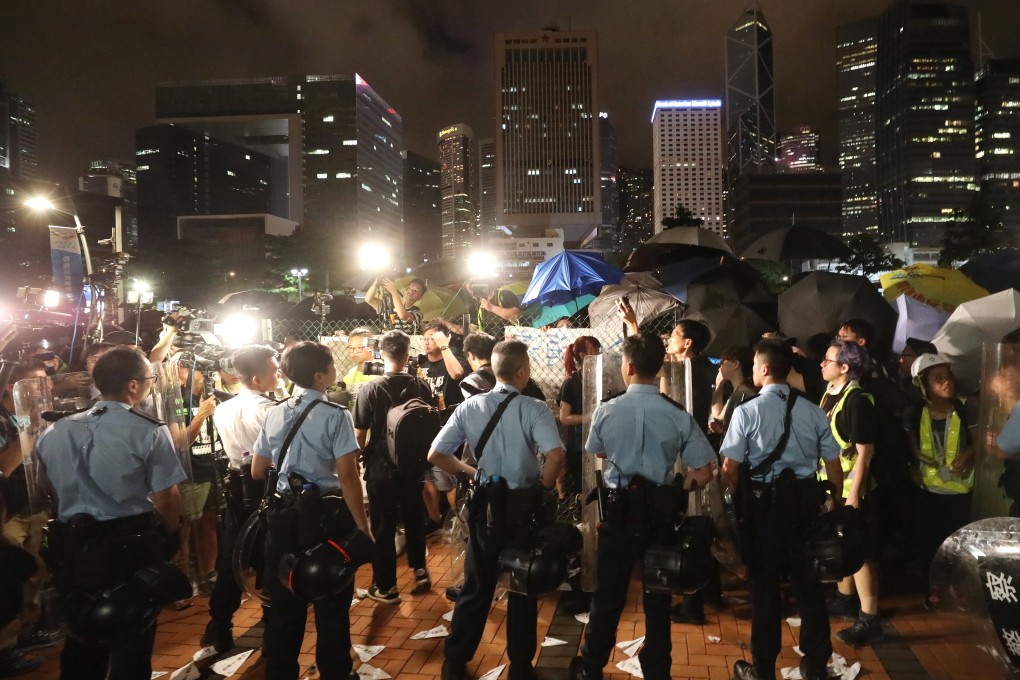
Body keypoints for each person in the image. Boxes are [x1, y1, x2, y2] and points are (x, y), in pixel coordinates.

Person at [568, 332, 715, 680]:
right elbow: (704, 472)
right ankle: (657, 671)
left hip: (617, 515)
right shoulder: (677, 414)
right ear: (659, 365)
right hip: (661, 517)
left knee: (607, 597)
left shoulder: (607, 409)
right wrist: (678, 490)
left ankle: (591, 667)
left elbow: (598, 451)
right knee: (658, 599)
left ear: (629, 367)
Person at [36, 346, 186, 680]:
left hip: (74, 546)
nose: (150, 384)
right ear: (133, 385)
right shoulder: (147, 429)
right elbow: (168, 500)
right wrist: (170, 536)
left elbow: (44, 488)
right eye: (149, 379)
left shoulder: (55, 430)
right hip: (129, 545)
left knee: (80, 636)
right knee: (132, 632)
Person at [428, 340, 565, 680]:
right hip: (523, 505)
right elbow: (556, 456)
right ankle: (520, 666)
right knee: (522, 581)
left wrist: (470, 471)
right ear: (522, 371)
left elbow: (436, 454)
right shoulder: (534, 408)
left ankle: (455, 661)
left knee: (477, 583)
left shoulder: (470, 407)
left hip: (485, 504)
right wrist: (544, 485)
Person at [720, 339, 843, 680]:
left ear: (762, 369)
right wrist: (835, 503)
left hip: (763, 511)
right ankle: (816, 666)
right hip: (805, 507)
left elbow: (730, 468)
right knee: (810, 589)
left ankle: (763, 669)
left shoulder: (747, 411)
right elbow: (833, 465)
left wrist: (729, 506)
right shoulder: (814, 411)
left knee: (764, 590)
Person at [252, 341, 370, 680]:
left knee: (285, 605)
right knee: (331, 601)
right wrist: (363, 528)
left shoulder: (274, 412)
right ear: (321, 375)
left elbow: (258, 471)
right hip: (325, 519)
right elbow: (347, 476)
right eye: (332, 364)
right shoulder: (337, 415)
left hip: (283, 518)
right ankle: (335, 672)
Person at [203, 345, 282, 652]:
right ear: (257, 378)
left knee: (231, 561)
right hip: (268, 488)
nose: (278, 374)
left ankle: (220, 625)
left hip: (236, 489)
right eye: (274, 369)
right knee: (271, 556)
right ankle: (272, 619)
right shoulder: (270, 411)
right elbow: (277, 456)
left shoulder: (224, 408)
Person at [353, 330, 436, 603]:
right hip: (413, 465)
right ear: (406, 356)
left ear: (382, 354)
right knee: (414, 518)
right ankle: (421, 570)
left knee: (383, 526)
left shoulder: (371, 389)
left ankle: (386, 586)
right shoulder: (421, 387)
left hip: (381, 468)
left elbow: (359, 435)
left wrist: (357, 461)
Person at [818, 340, 883, 646]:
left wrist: (854, 494)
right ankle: (845, 601)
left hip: (851, 490)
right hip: (837, 487)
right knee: (844, 545)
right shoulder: (832, 394)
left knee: (862, 553)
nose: (822, 364)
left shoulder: (856, 401)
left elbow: (865, 453)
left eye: (828, 360)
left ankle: (870, 618)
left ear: (844, 368)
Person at [0, 361, 60, 675]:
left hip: (35, 505)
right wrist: (27, 428)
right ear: (12, 387)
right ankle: (5, 647)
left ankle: (25, 632)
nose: (44, 389)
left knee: (35, 574)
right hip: (10, 512)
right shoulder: (4, 420)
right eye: (35, 384)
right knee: (9, 580)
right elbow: (5, 467)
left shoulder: (34, 418)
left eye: (45, 383)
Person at [904, 354, 976, 608]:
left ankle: (960, 589)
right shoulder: (914, 412)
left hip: (960, 489)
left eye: (948, 377)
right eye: (938, 379)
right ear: (924, 386)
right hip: (927, 488)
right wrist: (916, 452)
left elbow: (978, 442)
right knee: (930, 541)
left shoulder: (966, 408)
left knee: (959, 542)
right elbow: (911, 444)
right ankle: (935, 587)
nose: (947, 383)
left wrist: (967, 454)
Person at [175, 362, 225, 599]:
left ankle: (210, 574)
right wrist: (202, 414)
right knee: (184, 531)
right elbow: (179, 443)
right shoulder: (178, 402)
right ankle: (182, 584)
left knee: (209, 525)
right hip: (189, 471)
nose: (196, 374)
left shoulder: (216, 395)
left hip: (212, 467)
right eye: (186, 367)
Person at [559, 336, 601, 496]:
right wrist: (589, 416)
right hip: (578, 446)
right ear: (583, 355)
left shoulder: (602, 378)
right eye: (595, 351)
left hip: (599, 441)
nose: (599, 354)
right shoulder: (571, 383)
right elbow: (564, 417)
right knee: (582, 488)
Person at [709, 346, 758, 435]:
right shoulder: (738, 391)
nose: (720, 368)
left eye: (723, 362)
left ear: (735, 364)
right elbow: (718, 416)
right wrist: (719, 386)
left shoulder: (743, 394)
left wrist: (720, 430)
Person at [340, 328, 381, 408]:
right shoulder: (351, 372)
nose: (354, 351)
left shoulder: (379, 370)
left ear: (371, 347)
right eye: (351, 347)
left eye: (359, 347)